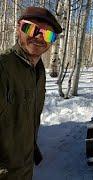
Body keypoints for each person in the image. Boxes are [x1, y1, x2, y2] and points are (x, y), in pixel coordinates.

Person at [0, 7, 62, 179]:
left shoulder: (38, 72)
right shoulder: (3, 68)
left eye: (48, 35)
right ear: (18, 27)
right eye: (31, 29)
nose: (39, 37)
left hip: (25, 170)